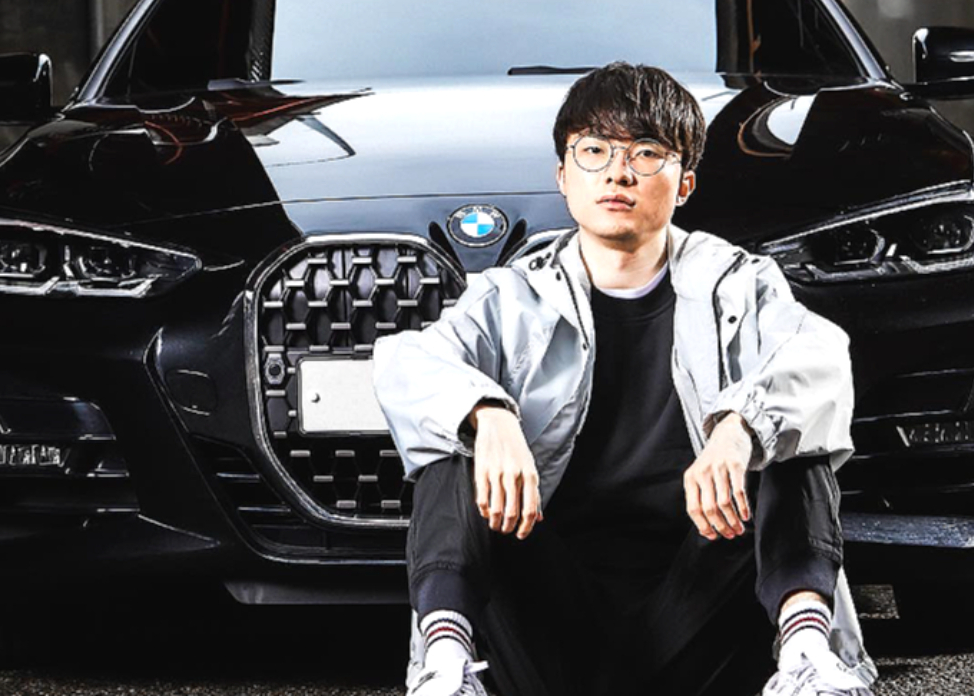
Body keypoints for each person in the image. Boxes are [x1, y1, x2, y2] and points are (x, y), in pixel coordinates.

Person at [371, 62, 878, 696]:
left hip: (700, 607)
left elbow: (822, 357)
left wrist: (741, 427)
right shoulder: (511, 296)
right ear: (563, 176)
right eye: (593, 151)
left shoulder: (739, 284)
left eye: (645, 153)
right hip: (548, 617)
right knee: (454, 443)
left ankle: (806, 658)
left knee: (788, 434)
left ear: (685, 183)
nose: (618, 173)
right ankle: (446, 668)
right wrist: (489, 414)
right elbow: (406, 362)